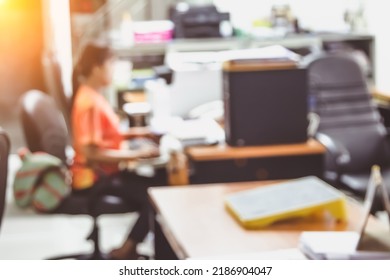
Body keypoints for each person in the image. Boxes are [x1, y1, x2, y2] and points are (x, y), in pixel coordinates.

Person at [71, 43, 166, 259]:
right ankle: (127, 249)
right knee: (157, 194)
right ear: (96, 67)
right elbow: (92, 154)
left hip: (105, 172)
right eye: (110, 64)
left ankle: (131, 246)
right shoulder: (90, 103)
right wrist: (136, 154)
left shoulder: (93, 95)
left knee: (158, 185)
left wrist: (139, 133)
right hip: (97, 177)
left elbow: (106, 137)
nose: (113, 70)